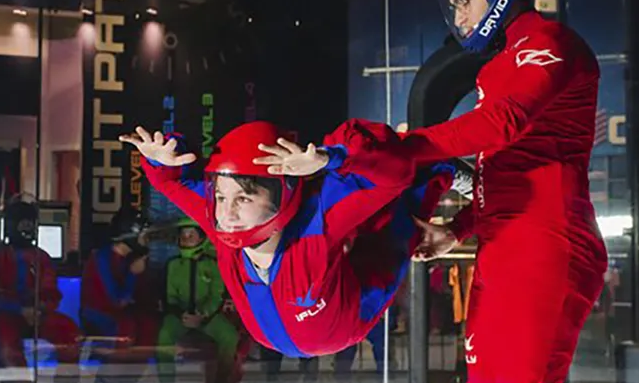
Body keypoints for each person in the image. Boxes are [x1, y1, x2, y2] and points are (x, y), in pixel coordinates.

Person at [405, 0, 608, 383]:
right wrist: (457, 230)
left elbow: (503, 125)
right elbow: (509, 167)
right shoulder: (499, 67)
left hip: (546, 245)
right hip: (508, 248)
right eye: (452, 7)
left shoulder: (549, 42)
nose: (459, 17)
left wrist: (402, 148)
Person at [119, 120, 454, 358]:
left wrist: (333, 157)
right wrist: (162, 160)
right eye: (221, 197)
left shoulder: (315, 221)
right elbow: (171, 184)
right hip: (273, 336)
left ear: (281, 192)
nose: (227, 212)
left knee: (396, 233)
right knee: (388, 225)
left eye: (244, 198)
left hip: (346, 322)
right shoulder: (221, 224)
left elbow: (391, 181)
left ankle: (440, 171)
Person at [157, 218, 275, 383]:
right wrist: (181, 315)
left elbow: (217, 295)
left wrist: (203, 315)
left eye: (191, 235)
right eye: (183, 235)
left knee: (229, 336)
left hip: (207, 316)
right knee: (164, 336)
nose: (186, 239)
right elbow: (169, 295)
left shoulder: (213, 264)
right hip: (179, 317)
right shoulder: (173, 265)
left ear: (201, 238)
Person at [0, 199, 82, 368]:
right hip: (7, 314)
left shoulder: (42, 257)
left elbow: (51, 290)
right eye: (22, 224)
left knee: (69, 331)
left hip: (39, 314)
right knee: (7, 345)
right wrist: (19, 309)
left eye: (30, 224)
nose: (27, 228)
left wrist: (39, 309)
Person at [80, 206, 159, 364]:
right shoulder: (102, 258)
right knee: (126, 327)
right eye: (143, 235)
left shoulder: (132, 257)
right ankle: (115, 375)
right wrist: (133, 274)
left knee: (148, 324)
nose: (146, 239)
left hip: (121, 313)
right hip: (98, 314)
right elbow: (117, 299)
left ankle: (133, 378)